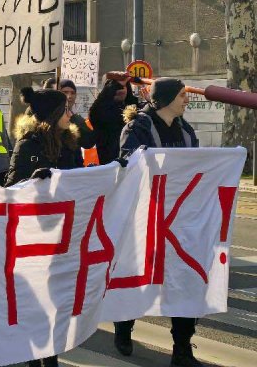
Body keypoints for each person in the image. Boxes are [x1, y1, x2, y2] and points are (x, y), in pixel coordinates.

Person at [114, 77, 200, 367]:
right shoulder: (137, 128)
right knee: (138, 277)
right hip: (144, 218)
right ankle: (123, 325)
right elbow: (129, 167)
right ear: (164, 99)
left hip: (179, 218)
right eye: (182, 95)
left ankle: (182, 348)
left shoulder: (185, 130)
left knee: (185, 280)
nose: (186, 100)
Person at [5, 87, 82, 187]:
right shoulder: (27, 146)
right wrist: (32, 181)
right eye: (65, 109)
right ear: (52, 114)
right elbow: (12, 189)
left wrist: (89, 172)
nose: (70, 114)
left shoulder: (70, 141)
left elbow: (79, 181)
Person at [87, 76, 138, 165]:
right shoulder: (100, 112)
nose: (121, 89)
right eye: (117, 86)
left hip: (134, 167)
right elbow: (97, 110)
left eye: (124, 86)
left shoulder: (135, 110)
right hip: (110, 168)